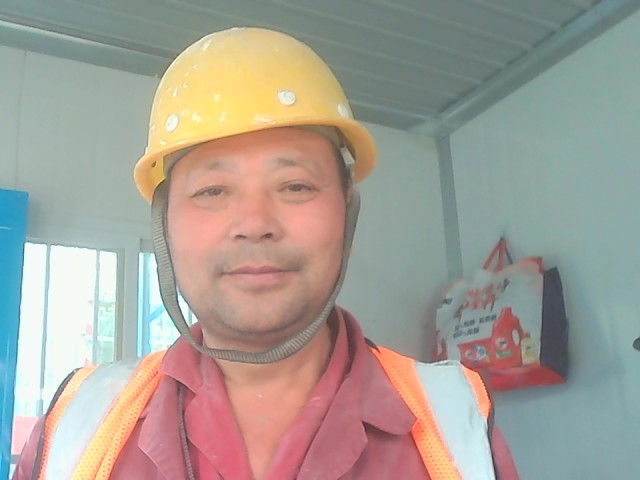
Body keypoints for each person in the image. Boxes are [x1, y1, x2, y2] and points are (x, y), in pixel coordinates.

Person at [14, 27, 519, 480]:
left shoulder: (454, 420)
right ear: (164, 223)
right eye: (212, 190)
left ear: (346, 210)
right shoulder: (78, 426)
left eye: (295, 185)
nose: (254, 223)